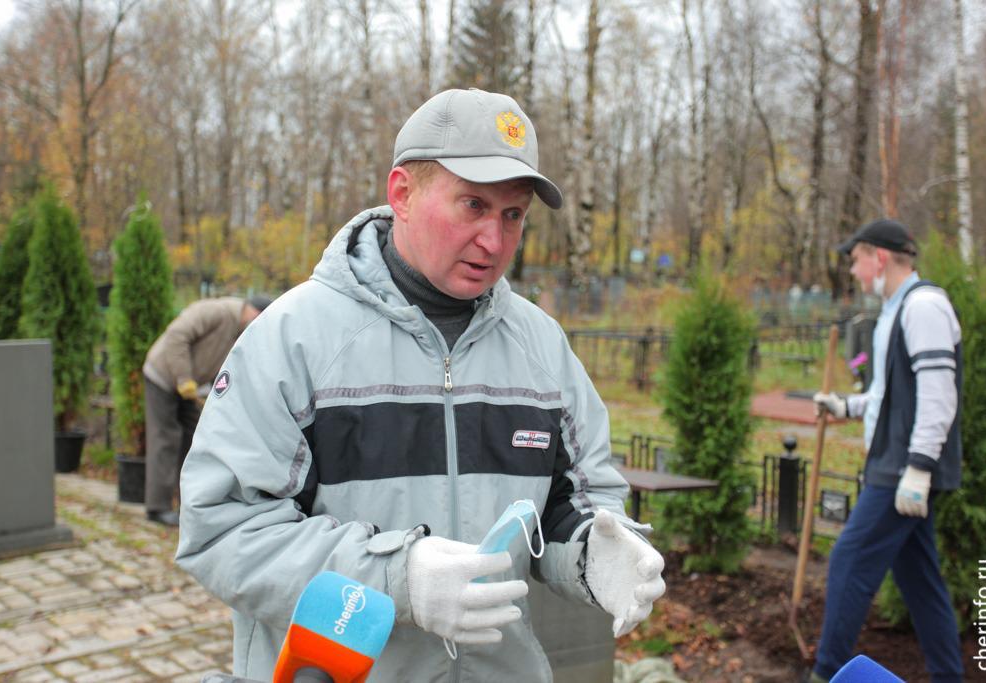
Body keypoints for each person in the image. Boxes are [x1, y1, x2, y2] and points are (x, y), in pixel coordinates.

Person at [175, 88, 666, 681]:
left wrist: (595, 554)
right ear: (402, 194)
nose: (494, 240)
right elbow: (224, 530)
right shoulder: (293, 340)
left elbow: (570, 505)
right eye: (473, 206)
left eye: (512, 215)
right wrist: (396, 577)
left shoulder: (542, 348)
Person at [809, 219, 963, 683]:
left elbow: (940, 393)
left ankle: (825, 673)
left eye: (855, 260)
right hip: (893, 464)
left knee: (849, 559)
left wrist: (918, 469)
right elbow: (887, 396)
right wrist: (845, 405)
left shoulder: (925, 306)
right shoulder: (894, 312)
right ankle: (948, 676)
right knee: (920, 581)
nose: (854, 272)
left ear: (879, 257)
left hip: (902, 471)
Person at [142, 295, 271, 526]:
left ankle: (190, 506)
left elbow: (223, 370)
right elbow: (176, 336)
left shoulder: (240, 333)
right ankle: (157, 507)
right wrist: (183, 377)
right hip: (162, 376)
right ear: (254, 312)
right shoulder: (217, 312)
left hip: (189, 387)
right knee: (165, 439)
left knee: (195, 442)